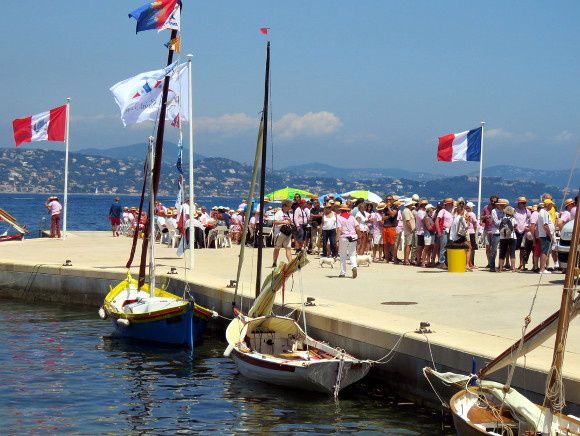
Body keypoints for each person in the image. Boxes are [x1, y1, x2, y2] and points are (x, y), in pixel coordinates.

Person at [337, 204, 359, 278]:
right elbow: (357, 227)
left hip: (344, 237)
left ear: (340, 210)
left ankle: (343, 272)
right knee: (352, 253)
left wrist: (337, 239)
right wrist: (359, 236)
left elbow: (339, 229)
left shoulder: (339, 217)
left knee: (343, 255)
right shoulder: (352, 217)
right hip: (353, 236)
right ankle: (354, 266)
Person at [272, 200, 293, 267]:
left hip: (287, 233)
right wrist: (284, 222)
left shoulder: (288, 213)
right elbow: (275, 222)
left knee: (288, 247)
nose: (289, 208)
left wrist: (290, 222)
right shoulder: (278, 213)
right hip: (279, 233)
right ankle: (274, 261)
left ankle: (290, 263)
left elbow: (290, 222)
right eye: (288, 206)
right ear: (284, 206)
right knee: (277, 248)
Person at [436, 198, 454, 268]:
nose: (451, 205)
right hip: (444, 231)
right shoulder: (442, 211)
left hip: (450, 231)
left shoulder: (451, 211)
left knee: (448, 247)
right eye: (450, 204)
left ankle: (446, 262)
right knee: (443, 247)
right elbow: (437, 220)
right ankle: (442, 262)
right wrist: (439, 231)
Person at [537, 199, 554, 274]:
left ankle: (542, 268)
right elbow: (545, 225)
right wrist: (550, 235)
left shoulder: (543, 212)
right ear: (547, 204)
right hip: (545, 235)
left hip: (543, 234)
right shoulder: (544, 213)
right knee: (545, 251)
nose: (552, 206)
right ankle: (542, 269)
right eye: (551, 204)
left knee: (544, 251)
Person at [498, 206, 517, 272]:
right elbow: (515, 227)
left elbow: (499, 227)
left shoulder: (502, 219)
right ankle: (513, 268)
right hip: (512, 237)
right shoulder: (513, 219)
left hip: (502, 237)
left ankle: (500, 268)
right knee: (512, 252)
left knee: (502, 253)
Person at [513, 197, 530, 270]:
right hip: (515, 231)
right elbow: (511, 218)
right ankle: (511, 264)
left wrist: (527, 226)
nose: (523, 204)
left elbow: (529, 219)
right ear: (518, 203)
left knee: (522, 249)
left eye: (524, 203)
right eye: (522, 203)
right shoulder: (514, 210)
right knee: (512, 248)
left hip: (524, 231)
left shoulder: (527, 211)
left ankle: (521, 264)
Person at [382, 195, 398, 263]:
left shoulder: (395, 207)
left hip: (392, 227)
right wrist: (389, 215)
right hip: (385, 227)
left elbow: (393, 215)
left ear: (392, 200)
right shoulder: (384, 208)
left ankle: (395, 258)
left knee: (393, 243)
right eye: (387, 200)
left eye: (389, 199)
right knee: (385, 244)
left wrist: (388, 208)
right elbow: (383, 218)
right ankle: (386, 258)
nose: (388, 201)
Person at [402, 200, 416, 265]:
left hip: (408, 230)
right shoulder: (407, 211)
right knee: (408, 245)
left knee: (408, 245)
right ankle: (406, 260)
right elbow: (408, 221)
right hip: (409, 231)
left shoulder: (407, 210)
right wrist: (411, 229)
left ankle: (406, 259)